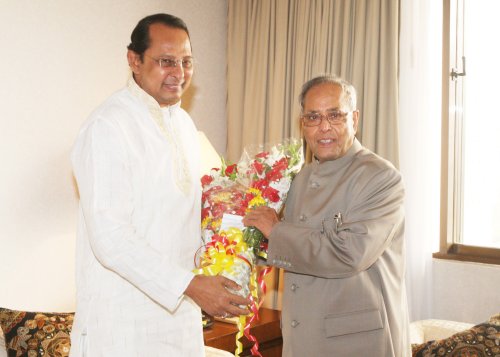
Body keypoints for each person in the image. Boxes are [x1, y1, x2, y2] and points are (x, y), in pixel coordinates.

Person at [70, 13, 249, 357]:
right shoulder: (108, 126)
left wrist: (231, 250)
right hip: (123, 325)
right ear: (134, 60)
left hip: (180, 318)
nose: (179, 73)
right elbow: (110, 237)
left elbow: (183, 218)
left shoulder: (182, 123)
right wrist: (192, 286)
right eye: (166, 61)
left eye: (186, 62)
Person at [243, 75, 411, 356]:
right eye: (313, 117)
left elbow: (351, 253)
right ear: (303, 124)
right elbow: (291, 247)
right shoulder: (299, 177)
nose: (324, 127)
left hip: (355, 342)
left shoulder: (380, 177)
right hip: (302, 337)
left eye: (335, 115)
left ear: (354, 119)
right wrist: (238, 237)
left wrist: (275, 231)